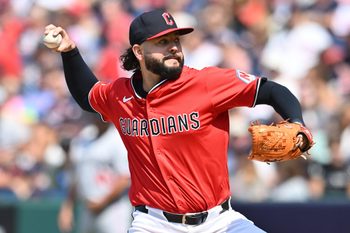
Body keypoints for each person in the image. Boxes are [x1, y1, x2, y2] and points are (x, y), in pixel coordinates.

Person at [45, 8, 313, 233]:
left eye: (176, 40)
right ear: (139, 51)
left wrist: (296, 121)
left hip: (220, 221)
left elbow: (272, 91)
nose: (173, 47)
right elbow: (88, 96)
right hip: (153, 223)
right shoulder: (120, 95)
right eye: (162, 42)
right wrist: (69, 51)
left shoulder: (206, 83)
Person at [57, 114, 131, 233]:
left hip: (113, 209)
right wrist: (67, 207)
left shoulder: (118, 138)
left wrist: (102, 202)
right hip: (87, 208)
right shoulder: (85, 137)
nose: (97, 116)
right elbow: (77, 175)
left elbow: (125, 178)